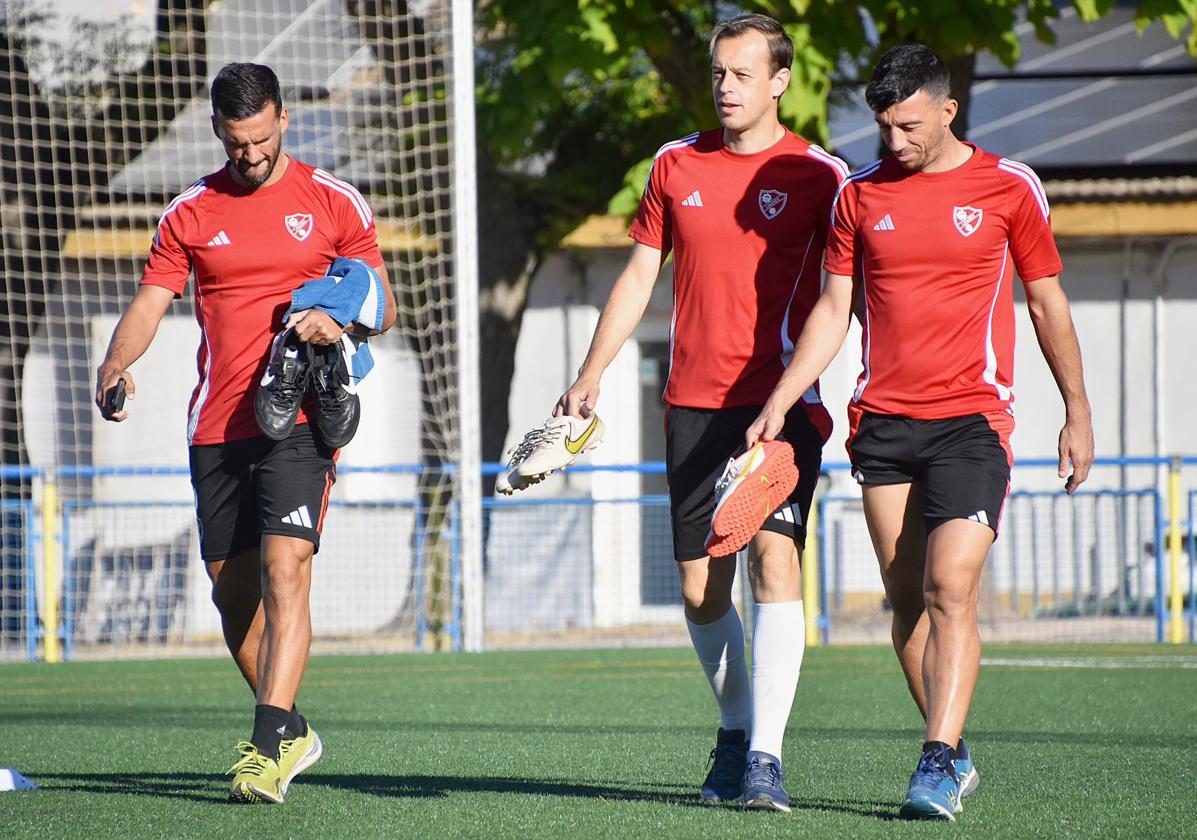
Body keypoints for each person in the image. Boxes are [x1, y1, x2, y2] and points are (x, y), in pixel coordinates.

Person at [746, 44, 1094, 820]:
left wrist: (1076, 410)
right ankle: (955, 750)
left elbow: (1046, 304)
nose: (892, 141)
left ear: (946, 110)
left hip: (972, 420)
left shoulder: (1009, 187)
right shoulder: (857, 197)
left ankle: (932, 761)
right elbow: (833, 311)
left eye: (907, 125)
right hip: (882, 423)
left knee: (949, 589)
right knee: (904, 600)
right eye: (882, 127)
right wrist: (782, 394)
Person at [554, 14, 847, 812]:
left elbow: (843, 294)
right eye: (719, 73)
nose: (725, 87)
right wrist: (592, 370)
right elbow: (639, 273)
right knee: (698, 590)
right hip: (688, 402)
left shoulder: (822, 175)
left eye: (742, 75)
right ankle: (734, 727)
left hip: (781, 406)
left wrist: (799, 392)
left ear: (779, 81)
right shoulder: (672, 164)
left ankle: (764, 759)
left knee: (772, 562)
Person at [94, 62, 397, 804]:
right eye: (237, 143)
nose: (250, 155)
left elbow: (379, 299)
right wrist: (114, 363)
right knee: (234, 597)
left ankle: (264, 749)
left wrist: (339, 318)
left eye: (260, 139)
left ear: (283, 119)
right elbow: (150, 301)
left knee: (288, 568)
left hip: (300, 418)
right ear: (217, 131)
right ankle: (291, 725)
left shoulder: (332, 202)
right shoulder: (190, 212)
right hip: (218, 426)